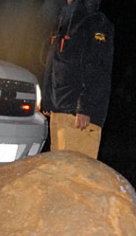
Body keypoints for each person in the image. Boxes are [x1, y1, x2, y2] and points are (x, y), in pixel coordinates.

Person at [42, 0, 114, 159]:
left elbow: (98, 67)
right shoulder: (62, 18)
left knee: (78, 176)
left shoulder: (95, 21)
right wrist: (47, 100)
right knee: (60, 172)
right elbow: (52, 61)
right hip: (58, 109)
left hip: (79, 116)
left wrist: (86, 107)